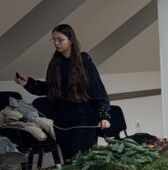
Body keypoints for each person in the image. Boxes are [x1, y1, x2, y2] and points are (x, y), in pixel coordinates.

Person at [15, 23, 111, 162]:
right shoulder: (55, 63)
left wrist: (104, 116)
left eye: (60, 39)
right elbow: (49, 88)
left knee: (81, 161)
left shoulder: (84, 60)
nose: (56, 43)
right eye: (54, 39)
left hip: (84, 119)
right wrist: (28, 83)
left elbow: (97, 89)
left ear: (71, 40)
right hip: (62, 121)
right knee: (68, 160)